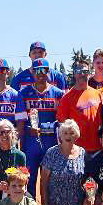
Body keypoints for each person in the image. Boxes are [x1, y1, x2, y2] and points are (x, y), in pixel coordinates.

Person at [17, 58, 63, 194]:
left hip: (50, 141)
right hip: (31, 142)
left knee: (51, 179)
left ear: (48, 72)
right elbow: (20, 120)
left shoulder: (58, 93)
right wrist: (26, 129)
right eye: (37, 70)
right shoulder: (23, 93)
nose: (40, 73)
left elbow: (61, 120)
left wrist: (52, 127)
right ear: (32, 73)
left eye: (44, 70)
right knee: (29, 178)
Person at [38, 119, 87, 205]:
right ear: (60, 135)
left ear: (76, 135)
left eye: (71, 133)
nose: (68, 136)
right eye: (65, 133)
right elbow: (43, 181)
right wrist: (45, 204)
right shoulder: (52, 153)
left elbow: (88, 180)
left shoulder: (82, 153)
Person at [57, 63, 103, 153]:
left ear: (90, 73)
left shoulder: (97, 94)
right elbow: (62, 127)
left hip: (97, 148)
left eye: (85, 71)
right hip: (76, 150)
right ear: (74, 74)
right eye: (79, 71)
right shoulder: (66, 98)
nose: (82, 74)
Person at [0, 119, 26, 204]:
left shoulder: (20, 155)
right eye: (1, 132)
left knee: (29, 200)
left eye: (7, 132)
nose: (4, 135)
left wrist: (13, 186)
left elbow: (24, 179)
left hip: (16, 192)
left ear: (13, 134)